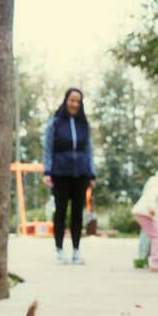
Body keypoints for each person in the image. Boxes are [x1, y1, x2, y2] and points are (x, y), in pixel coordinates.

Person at [42, 89, 96, 265]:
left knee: (77, 213)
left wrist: (91, 173)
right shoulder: (55, 123)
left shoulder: (84, 124)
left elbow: (89, 150)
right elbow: (48, 148)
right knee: (61, 211)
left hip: (81, 173)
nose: (74, 104)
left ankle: (76, 251)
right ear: (66, 101)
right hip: (60, 172)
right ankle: (59, 250)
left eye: (78, 101)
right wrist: (47, 171)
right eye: (72, 100)